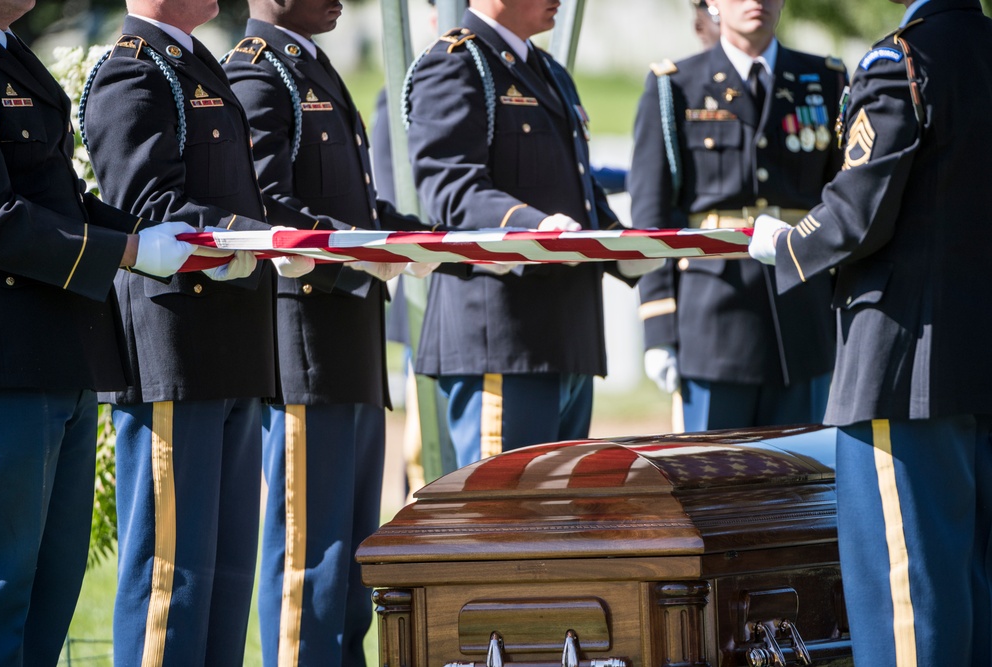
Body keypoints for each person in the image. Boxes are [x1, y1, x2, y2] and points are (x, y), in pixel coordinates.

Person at [748, 0, 992, 663]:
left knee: (906, 606)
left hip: (903, 367)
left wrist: (787, 244)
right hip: (974, 365)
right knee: (972, 595)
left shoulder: (901, 61)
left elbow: (858, 211)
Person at [80, 1, 315, 664]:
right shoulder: (133, 73)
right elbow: (148, 209)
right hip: (176, 350)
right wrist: (255, 237)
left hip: (232, 347)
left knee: (225, 583)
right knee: (172, 584)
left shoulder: (196, 64)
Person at [222, 0, 445, 663]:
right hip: (305, 338)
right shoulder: (257, 73)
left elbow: (356, 206)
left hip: (352, 337)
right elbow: (266, 208)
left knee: (350, 556)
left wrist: (415, 236)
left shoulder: (313, 68)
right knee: (308, 556)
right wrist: (368, 247)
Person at [0, 1, 200, 663]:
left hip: (62, 361)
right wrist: (131, 254)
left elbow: (59, 196)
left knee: (54, 589)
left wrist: (144, 236)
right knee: (5, 589)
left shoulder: (11, 53)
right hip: (8, 367)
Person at [403, 0, 661, 469]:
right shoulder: (455, 62)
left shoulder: (550, 71)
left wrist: (624, 245)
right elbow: (449, 187)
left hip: (567, 335)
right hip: (501, 335)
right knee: (500, 523)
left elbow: (580, 190)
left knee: (553, 526)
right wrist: (533, 225)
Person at [629, 0, 845, 432]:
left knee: (803, 486)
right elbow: (652, 215)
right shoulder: (676, 85)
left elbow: (843, 196)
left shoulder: (826, 78)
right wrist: (658, 328)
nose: (756, 2)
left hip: (803, 316)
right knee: (709, 484)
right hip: (713, 321)